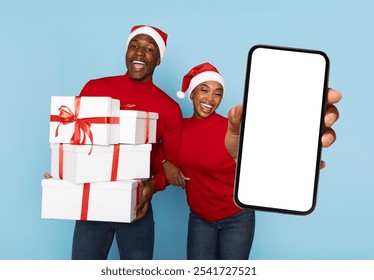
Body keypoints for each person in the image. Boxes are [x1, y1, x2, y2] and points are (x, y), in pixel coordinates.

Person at [158, 62, 341, 260]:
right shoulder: (179, 130)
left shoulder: (232, 129)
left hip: (236, 218)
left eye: (217, 93)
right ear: (192, 93)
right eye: (204, 90)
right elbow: (158, 154)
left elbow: (265, 157)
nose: (210, 99)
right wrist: (165, 163)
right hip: (199, 219)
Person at [52, 24, 183, 260]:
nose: (140, 53)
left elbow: (170, 162)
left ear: (159, 59)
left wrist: (152, 187)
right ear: (126, 52)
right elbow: (74, 141)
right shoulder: (95, 88)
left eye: (149, 49)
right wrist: (62, 174)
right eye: (134, 46)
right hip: (92, 202)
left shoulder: (169, 109)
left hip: (136, 204)